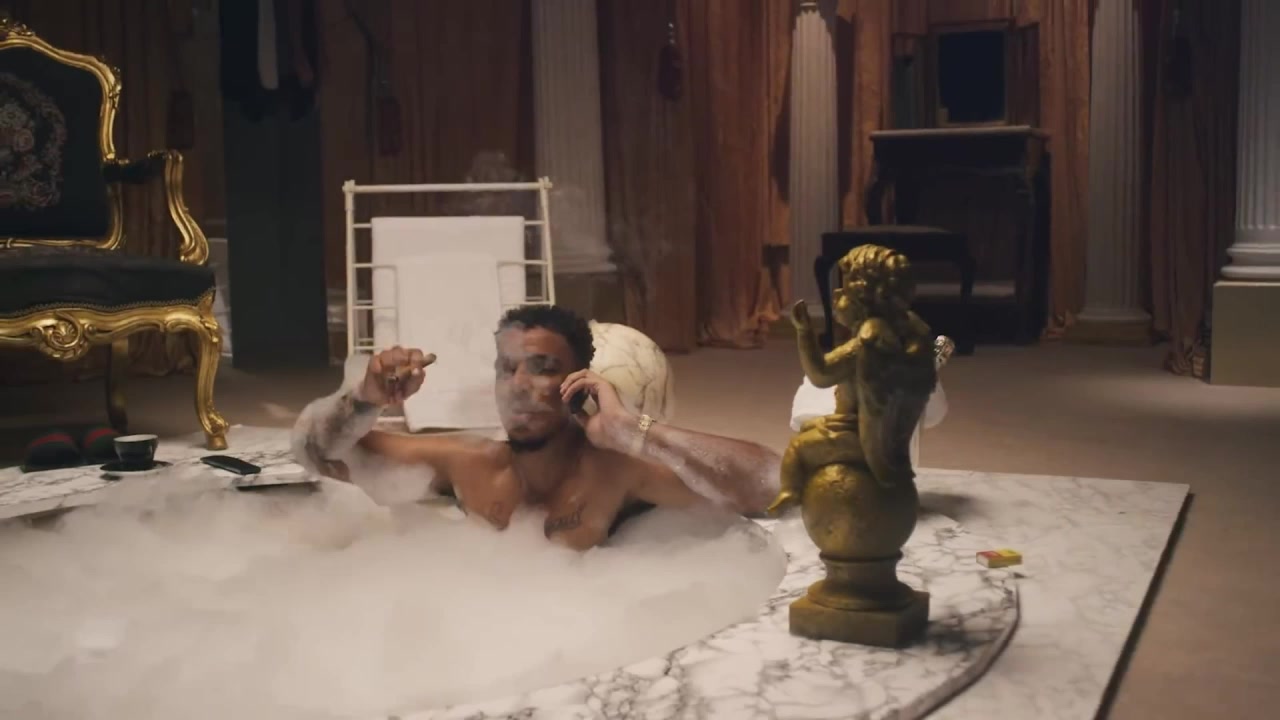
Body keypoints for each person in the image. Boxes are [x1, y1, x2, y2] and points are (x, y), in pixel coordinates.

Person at [294, 305, 781, 551]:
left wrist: (635, 429)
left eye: (543, 368)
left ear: (581, 382)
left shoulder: (617, 471)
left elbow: (772, 483)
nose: (519, 385)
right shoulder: (468, 464)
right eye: (507, 369)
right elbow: (314, 452)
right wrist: (364, 399)